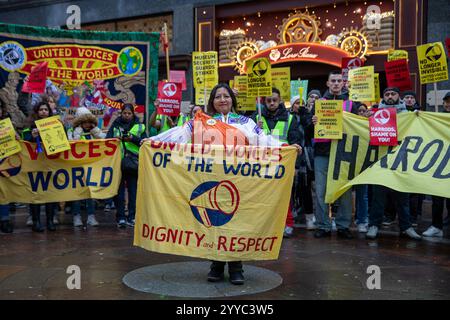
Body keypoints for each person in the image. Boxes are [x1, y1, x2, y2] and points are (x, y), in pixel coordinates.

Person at [142, 83, 301, 285]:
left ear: (232, 100)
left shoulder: (245, 122)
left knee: (237, 223)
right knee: (213, 223)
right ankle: (216, 266)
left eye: (226, 96)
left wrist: (286, 148)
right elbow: (178, 135)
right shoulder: (200, 121)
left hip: (239, 181)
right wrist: (153, 140)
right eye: (218, 97)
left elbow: (263, 141)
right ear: (212, 101)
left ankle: (236, 268)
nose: (223, 99)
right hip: (209, 180)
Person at [366, 87, 421, 240]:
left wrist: (417, 117)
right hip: (381, 161)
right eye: (387, 94)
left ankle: (406, 227)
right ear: (384, 97)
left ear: (399, 96)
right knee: (378, 196)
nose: (390, 97)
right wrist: (366, 118)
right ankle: (374, 225)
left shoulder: (407, 115)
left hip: (401, 161)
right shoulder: (375, 113)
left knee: (403, 197)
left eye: (393, 94)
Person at [310, 71, 359, 239]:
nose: (336, 83)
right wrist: (312, 121)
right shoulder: (319, 103)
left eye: (339, 81)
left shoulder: (352, 104)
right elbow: (308, 128)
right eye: (333, 81)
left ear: (343, 83)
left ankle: (343, 225)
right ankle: (323, 225)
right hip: (322, 152)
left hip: (343, 152)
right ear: (328, 83)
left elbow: (360, 125)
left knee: (344, 189)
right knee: (321, 189)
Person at [251, 88, 303, 238]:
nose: (272, 103)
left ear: (280, 101)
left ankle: (287, 224)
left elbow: (295, 143)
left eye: (275, 100)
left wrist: (295, 165)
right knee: (263, 196)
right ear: (264, 101)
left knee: (284, 197)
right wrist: (256, 129)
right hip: (262, 164)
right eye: (268, 100)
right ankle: (266, 225)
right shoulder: (256, 118)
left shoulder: (290, 118)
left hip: (283, 164)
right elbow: (249, 140)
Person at [106, 103, 147, 228]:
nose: (127, 115)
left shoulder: (140, 126)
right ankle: (121, 218)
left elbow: (144, 142)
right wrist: (115, 139)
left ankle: (132, 217)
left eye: (129, 113)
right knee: (119, 192)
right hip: (118, 163)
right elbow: (107, 140)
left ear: (133, 114)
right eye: (125, 113)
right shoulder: (115, 125)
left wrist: (132, 138)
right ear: (121, 113)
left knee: (133, 192)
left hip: (133, 163)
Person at [22, 101, 58, 232]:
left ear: (49, 112)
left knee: (50, 193)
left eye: (46, 110)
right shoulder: (30, 125)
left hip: (50, 164)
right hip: (34, 165)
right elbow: (23, 141)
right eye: (41, 110)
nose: (44, 112)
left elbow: (62, 138)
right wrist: (32, 136)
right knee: (35, 193)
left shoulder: (55, 124)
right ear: (37, 112)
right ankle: (36, 222)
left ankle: (50, 221)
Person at [68, 107, 105, 228]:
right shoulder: (71, 131)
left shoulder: (94, 132)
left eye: (89, 121)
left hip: (91, 168)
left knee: (90, 192)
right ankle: (76, 216)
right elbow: (69, 144)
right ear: (79, 122)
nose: (87, 124)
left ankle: (91, 216)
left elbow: (106, 141)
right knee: (77, 193)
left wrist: (97, 133)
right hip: (76, 167)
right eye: (84, 122)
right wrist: (76, 135)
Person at [422, 92, 450, 238]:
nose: (447, 104)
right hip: (439, 163)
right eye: (446, 101)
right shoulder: (437, 117)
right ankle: (436, 226)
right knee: (437, 199)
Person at [290, 94, 315, 230]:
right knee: (292, 188)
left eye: (301, 103)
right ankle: (292, 214)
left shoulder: (307, 117)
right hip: (292, 155)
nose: (299, 105)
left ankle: (309, 217)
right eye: (296, 103)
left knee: (306, 188)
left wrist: (308, 118)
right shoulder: (288, 118)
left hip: (305, 158)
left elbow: (311, 132)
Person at [0, 102, 15, 233]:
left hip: (3, 163)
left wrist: (15, 138)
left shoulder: (6, 124)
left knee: (4, 193)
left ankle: (4, 220)